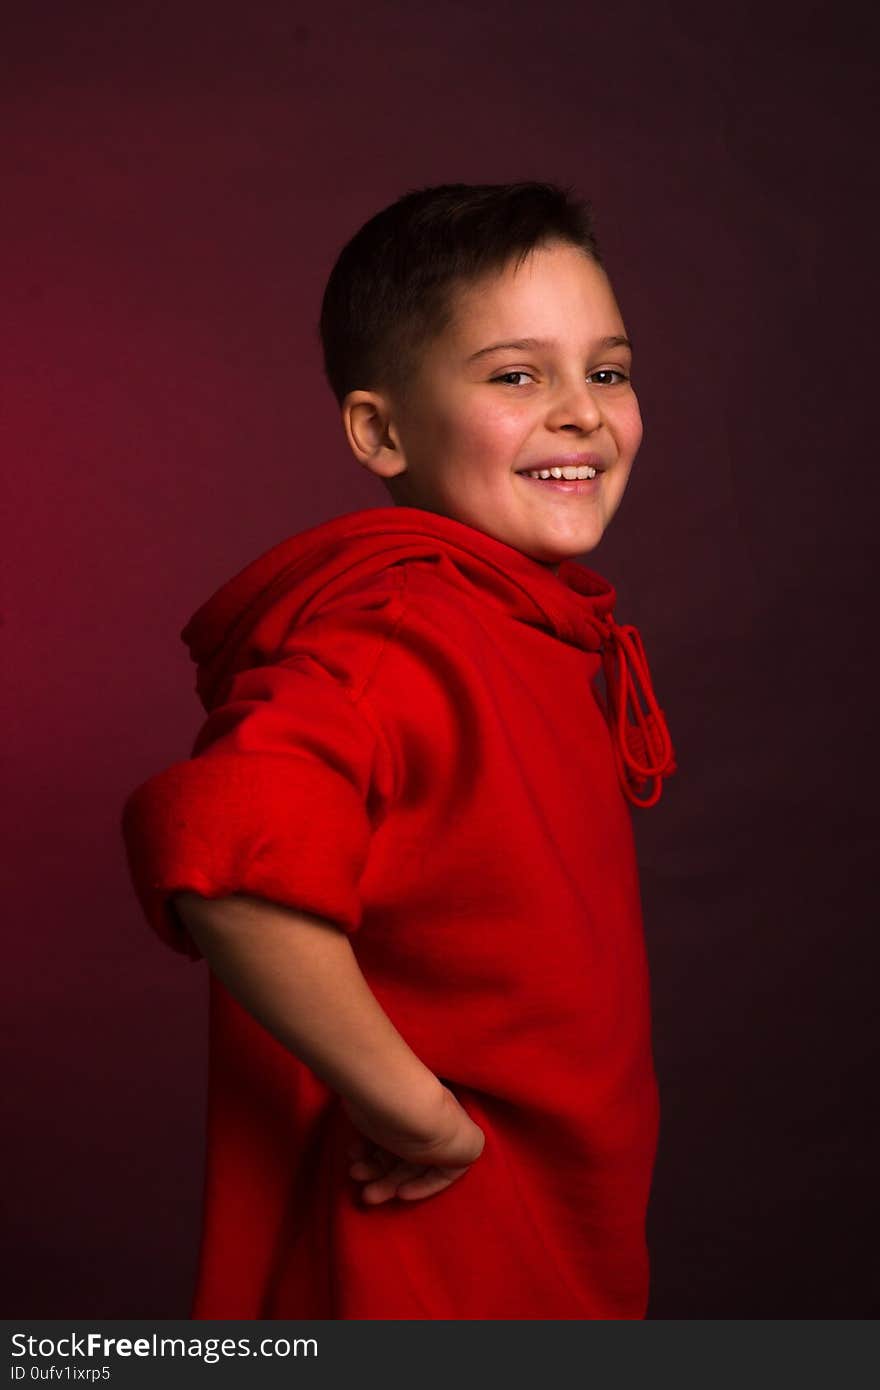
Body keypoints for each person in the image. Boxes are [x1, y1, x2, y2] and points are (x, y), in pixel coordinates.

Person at [121, 181, 678, 1320]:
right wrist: (413, 1112)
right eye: (516, 375)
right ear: (379, 431)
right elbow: (221, 854)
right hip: (427, 1251)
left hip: (557, 1243)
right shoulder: (397, 628)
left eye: (607, 370)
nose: (581, 411)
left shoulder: (526, 623)